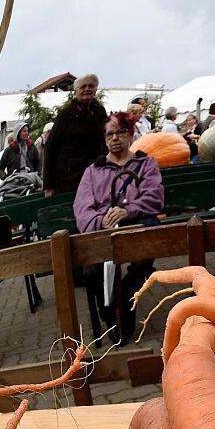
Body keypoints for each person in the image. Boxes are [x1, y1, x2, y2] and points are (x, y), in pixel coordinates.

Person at [73, 111, 164, 345]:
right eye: (109, 134)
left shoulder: (145, 163)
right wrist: (101, 220)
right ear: (104, 139)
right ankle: (110, 313)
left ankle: (127, 295)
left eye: (120, 132)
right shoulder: (93, 171)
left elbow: (154, 197)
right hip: (105, 231)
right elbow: (82, 207)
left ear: (130, 134)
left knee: (142, 258)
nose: (115, 138)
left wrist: (129, 210)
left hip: (135, 225)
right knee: (92, 272)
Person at [44, 73, 107, 196]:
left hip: (97, 175)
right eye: (83, 87)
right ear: (76, 91)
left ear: (96, 89)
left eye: (91, 86)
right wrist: (48, 185)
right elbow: (51, 148)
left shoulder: (100, 112)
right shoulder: (65, 116)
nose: (87, 89)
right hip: (70, 179)